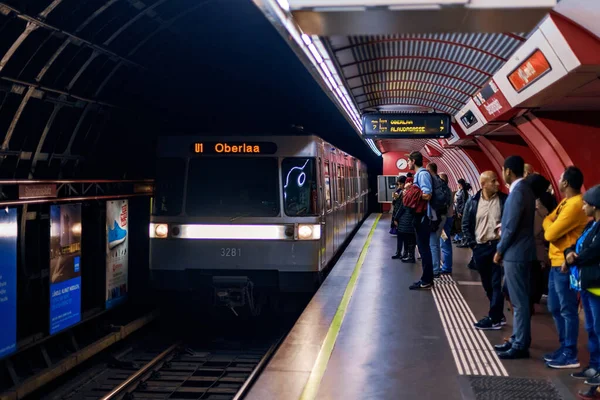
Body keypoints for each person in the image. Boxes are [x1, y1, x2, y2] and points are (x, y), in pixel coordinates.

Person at [543, 166, 588, 369]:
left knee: (567, 309)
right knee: (554, 307)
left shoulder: (575, 205)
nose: (558, 181)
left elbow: (550, 234)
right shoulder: (564, 202)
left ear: (566, 183)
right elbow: (548, 220)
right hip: (554, 262)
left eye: (560, 178)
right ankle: (563, 347)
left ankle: (570, 353)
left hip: (565, 265)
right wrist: (549, 223)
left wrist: (550, 225)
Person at [493, 155, 536, 359]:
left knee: (519, 302)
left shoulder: (518, 192)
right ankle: (518, 338)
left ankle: (520, 344)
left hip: (516, 254)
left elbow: (510, 227)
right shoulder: (525, 190)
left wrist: (500, 249)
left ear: (508, 171)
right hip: (522, 251)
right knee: (520, 300)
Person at [563, 185, 600, 393]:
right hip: (587, 284)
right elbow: (575, 245)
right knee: (591, 329)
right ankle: (594, 366)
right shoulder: (591, 226)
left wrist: (574, 258)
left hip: (597, 287)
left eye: (586, 203)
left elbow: (593, 252)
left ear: (595, 206)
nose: (583, 206)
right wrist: (571, 254)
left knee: (599, 329)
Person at [462, 171, 508, 330]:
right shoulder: (473, 202)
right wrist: (473, 245)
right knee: (487, 284)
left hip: (496, 246)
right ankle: (499, 315)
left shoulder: (503, 200)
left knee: (496, 283)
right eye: (493, 181)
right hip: (480, 248)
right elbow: (465, 224)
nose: (497, 184)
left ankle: (494, 317)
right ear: (483, 184)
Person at [526, 173, 556, 316]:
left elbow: (534, 230)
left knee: (532, 277)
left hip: (536, 250)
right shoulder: (546, 202)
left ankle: (529, 305)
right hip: (540, 249)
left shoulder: (538, 207)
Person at [406, 151, 435, 290]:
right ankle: (426, 278)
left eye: (408, 161)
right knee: (423, 248)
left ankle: (427, 280)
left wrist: (412, 193)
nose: (407, 164)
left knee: (424, 249)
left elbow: (427, 195)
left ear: (413, 161)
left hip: (423, 216)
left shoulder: (422, 174)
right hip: (421, 216)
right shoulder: (419, 174)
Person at [427, 163, 451, 278]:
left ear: (428, 170)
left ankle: (435, 269)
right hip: (443, 216)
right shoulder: (444, 185)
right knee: (437, 242)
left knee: (433, 244)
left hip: (435, 217)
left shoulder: (433, 183)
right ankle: (438, 267)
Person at [393, 177, 416, 262]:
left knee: (406, 238)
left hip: (404, 219)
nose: (400, 187)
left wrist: (396, 218)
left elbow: (401, 208)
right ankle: (405, 254)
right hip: (406, 220)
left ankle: (406, 255)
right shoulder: (408, 195)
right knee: (408, 238)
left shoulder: (406, 196)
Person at [439, 173, 454, 274]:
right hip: (449, 218)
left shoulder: (443, 191)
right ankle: (446, 265)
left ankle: (447, 267)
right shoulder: (449, 190)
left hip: (444, 219)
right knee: (444, 242)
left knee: (445, 243)